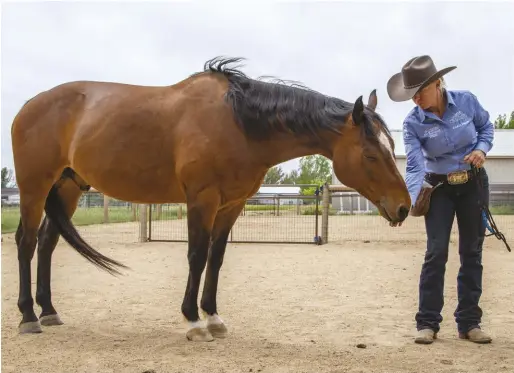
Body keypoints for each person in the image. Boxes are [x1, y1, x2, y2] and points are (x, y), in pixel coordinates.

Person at [386, 55, 494, 344]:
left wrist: (481, 150)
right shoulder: (412, 123)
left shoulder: (467, 102)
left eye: (420, 91)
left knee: (472, 252)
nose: (416, 99)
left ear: (438, 83)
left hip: (473, 184)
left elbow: (486, 128)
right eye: (411, 94)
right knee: (436, 253)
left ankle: (470, 323)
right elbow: (414, 166)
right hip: (438, 189)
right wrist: (407, 202)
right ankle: (427, 323)